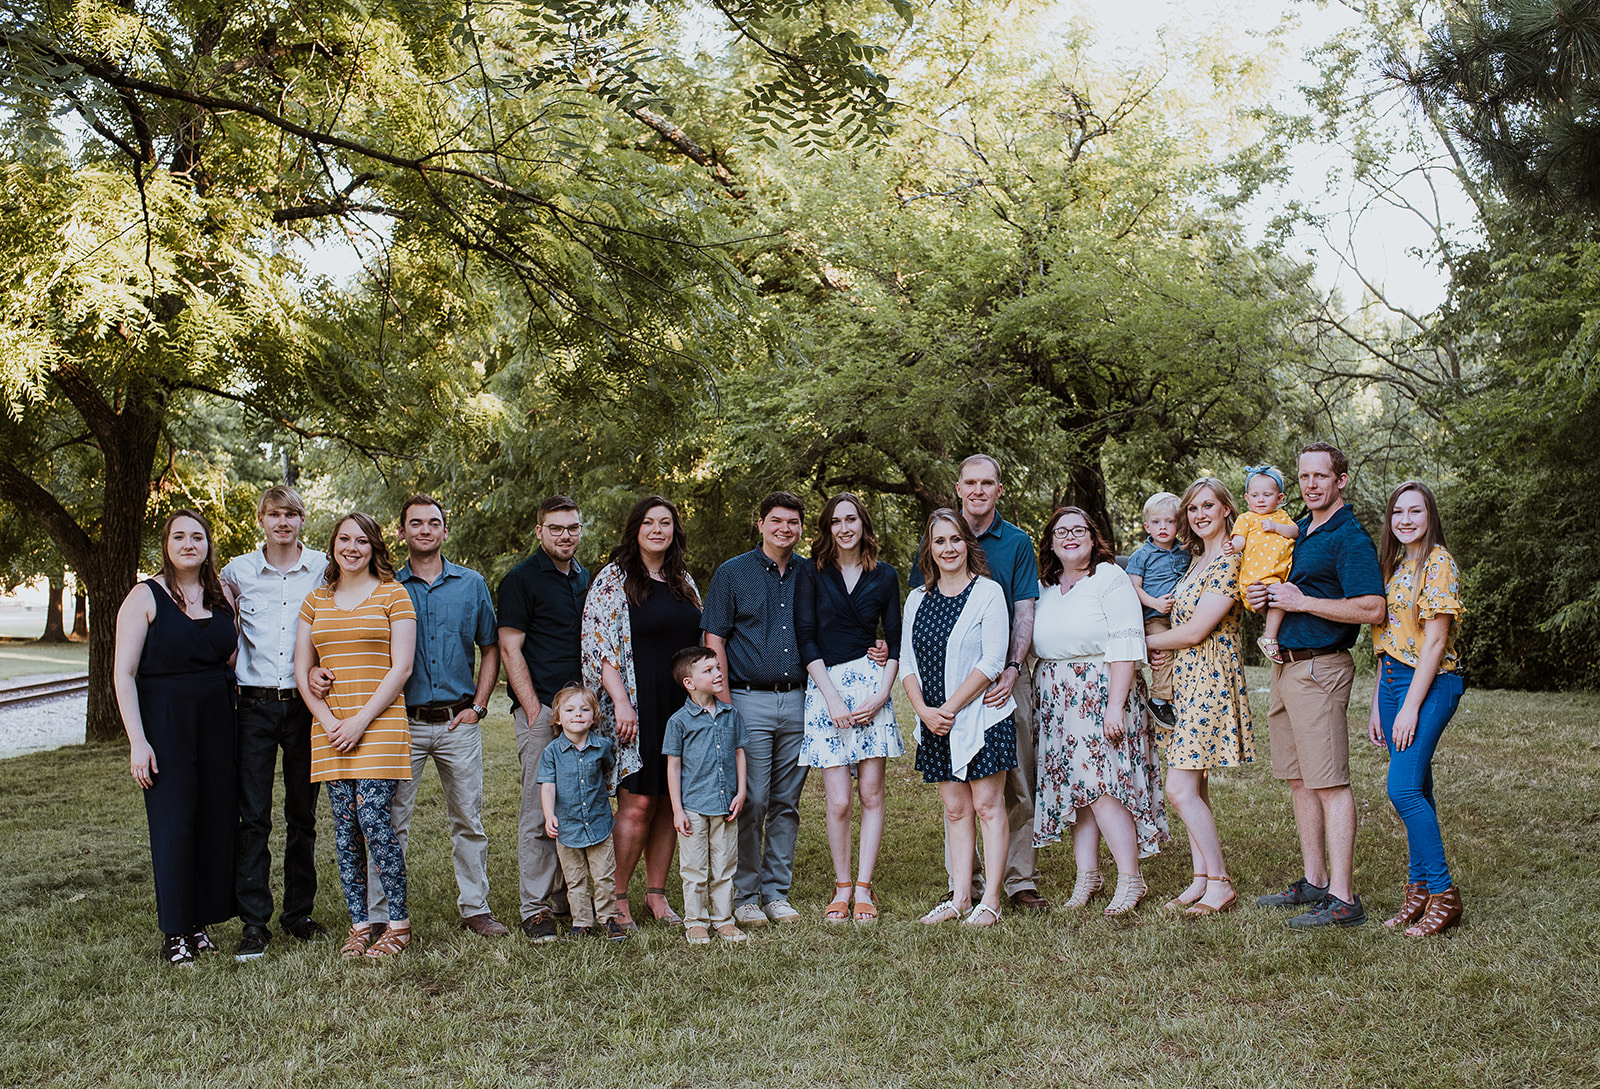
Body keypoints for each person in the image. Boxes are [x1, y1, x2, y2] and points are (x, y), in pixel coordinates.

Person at [1247, 443, 1386, 929]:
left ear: (1341, 480)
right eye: (1304, 476)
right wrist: (1266, 596)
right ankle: (1315, 881)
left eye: (1320, 477)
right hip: (1286, 667)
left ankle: (1345, 901)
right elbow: (1289, 585)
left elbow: (1372, 608)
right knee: (1299, 778)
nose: (1310, 485)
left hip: (1320, 668)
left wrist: (1302, 603)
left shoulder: (1349, 537)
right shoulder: (1304, 528)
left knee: (1329, 782)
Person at [909, 456, 1045, 914]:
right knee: (956, 803)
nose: (979, 490)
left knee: (1012, 790)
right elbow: (912, 642)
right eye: (971, 482)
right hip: (942, 700)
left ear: (998, 489)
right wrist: (931, 709)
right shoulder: (928, 568)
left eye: (988, 483)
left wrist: (1011, 668)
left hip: (998, 684)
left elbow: (1024, 610)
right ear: (959, 487)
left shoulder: (1016, 544)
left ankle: (1015, 883)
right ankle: (960, 887)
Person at [368, 496, 503, 937]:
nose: (425, 530)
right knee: (390, 821)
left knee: (468, 818)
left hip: (456, 721)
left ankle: (475, 909)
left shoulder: (471, 584)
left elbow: (490, 647)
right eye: (416, 523)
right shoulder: (383, 585)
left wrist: (478, 706)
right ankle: (381, 915)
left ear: (445, 531)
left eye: (434, 523)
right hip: (398, 722)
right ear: (402, 531)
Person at [113, 509, 239, 965]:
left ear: (208, 545)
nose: (189, 543)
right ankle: (174, 932)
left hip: (218, 722)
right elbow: (123, 674)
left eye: (198, 536)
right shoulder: (144, 596)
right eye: (180, 536)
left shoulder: (223, 593)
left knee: (213, 821)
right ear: (166, 544)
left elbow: (231, 658)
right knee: (173, 825)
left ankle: (199, 921)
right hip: (165, 724)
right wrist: (138, 741)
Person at [1031, 506, 1168, 916]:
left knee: (1104, 788)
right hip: (1056, 698)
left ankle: (1131, 878)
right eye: (1061, 532)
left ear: (1093, 538)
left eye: (1079, 530)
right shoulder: (1045, 586)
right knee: (1078, 790)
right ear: (1052, 542)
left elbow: (1126, 643)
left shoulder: (1109, 578)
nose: (1070, 537)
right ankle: (1087, 875)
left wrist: (1114, 707)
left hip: (1100, 692)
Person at [295, 513, 417, 957]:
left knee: (373, 819)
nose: (352, 547)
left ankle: (399, 924)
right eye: (344, 539)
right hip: (330, 728)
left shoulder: (394, 595)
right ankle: (361, 924)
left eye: (362, 540)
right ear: (332, 546)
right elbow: (301, 670)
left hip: (379, 723)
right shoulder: (315, 601)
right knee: (344, 829)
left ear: (374, 547)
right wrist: (328, 721)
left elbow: (401, 667)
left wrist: (359, 721)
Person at [581, 495, 702, 931]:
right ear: (635, 529)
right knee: (637, 801)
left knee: (672, 801)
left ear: (675, 530)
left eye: (665, 523)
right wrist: (621, 702)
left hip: (679, 706)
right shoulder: (614, 579)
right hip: (635, 703)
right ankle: (615, 901)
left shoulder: (682, 580)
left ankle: (655, 896)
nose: (657, 530)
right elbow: (601, 648)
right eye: (649, 522)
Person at [221, 485, 328, 961]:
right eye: (274, 514)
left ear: (302, 520)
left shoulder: (324, 568)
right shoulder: (236, 571)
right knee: (254, 817)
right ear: (261, 520)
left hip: (305, 706)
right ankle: (254, 922)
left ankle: (298, 915)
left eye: (291, 514)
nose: (283, 522)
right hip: (254, 706)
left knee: (302, 815)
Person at [1146, 479, 1255, 915]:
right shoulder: (1196, 559)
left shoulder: (1229, 561)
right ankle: (1201, 879)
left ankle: (1221, 882)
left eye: (1208, 505)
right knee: (1195, 783)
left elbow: (1195, 631)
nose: (1199, 514)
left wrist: (1148, 644)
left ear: (1228, 509)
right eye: (1192, 508)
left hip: (1211, 674)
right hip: (1185, 679)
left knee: (1179, 787)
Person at [701, 491, 810, 928]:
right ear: (761, 523)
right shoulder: (733, 573)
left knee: (787, 800)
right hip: (747, 699)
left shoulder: (812, 573)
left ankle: (776, 893)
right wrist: (724, 702)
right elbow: (714, 640)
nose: (785, 529)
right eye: (777, 521)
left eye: (794, 522)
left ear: (801, 528)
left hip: (801, 700)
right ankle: (744, 895)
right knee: (752, 799)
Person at [903, 509, 1016, 927]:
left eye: (955, 540)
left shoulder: (987, 593)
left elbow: (991, 661)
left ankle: (990, 901)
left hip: (981, 718)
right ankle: (961, 897)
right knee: (955, 810)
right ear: (929, 550)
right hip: (933, 721)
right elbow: (907, 663)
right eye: (939, 542)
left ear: (968, 545)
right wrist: (924, 712)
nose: (947, 548)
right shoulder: (917, 598)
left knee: (987, 805)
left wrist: (949, 709)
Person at [796, 492, 902, 923]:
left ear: (863, 525)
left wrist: (881, 695)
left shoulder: (886, 575)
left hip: (872, 686)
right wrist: (832, 698)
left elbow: (894, 639)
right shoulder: (812, 572)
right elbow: (806, 636)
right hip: (826, 687)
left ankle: (863, 888)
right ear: (828, 528)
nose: (844, 528)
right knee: (839, 801)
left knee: (870, 793)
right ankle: (841, 885)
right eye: (836, 521)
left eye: (852, 519)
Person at [1366, 481, 1466, 936]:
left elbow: (1436, 642)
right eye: (1398, 512)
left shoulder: (1438, 562)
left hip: (1430, 683)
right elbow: (1388, 641)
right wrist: (1377, 704)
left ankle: (1444, 893)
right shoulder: (1393, 565)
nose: (1405, 519)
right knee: (1418, 788)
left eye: (1415, 511)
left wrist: (1409, 707)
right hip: (1390, 681)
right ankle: (1419, 891)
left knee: (1402, 789)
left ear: (1430, 517)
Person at [498, 495, 590, 941]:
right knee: (539, 809)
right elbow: (510, 648)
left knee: (576, 805)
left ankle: (565, 895)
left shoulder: (584, 578)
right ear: (540, 531)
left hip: (581, 713)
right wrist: (534, 709)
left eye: (572, 527)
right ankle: (534, 908)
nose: (565, 535)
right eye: (556, 528)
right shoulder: (519, 580)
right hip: (542, 712)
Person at [664, 647, 749, 944]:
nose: (718, 673)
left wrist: (742, 791)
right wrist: (677, 809)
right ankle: (696, 921)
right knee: (694, 868)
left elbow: (739, 752)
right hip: (694, 807)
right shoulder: (678, 722)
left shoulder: (730, 714)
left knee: (725, 864)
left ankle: (724, 919)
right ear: (689, 683)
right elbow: (673, 767)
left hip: (726, 804)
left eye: (718, 668)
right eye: (709, 670)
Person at [538, 684, 628, 941]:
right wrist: (549, 815)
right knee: (575, 879)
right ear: (558, 717)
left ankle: (609, 919)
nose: (577, 714)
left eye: (584, 709)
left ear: (594, 716)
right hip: (567, 826)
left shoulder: (602, 747)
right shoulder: (551, 753)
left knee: (604, 876)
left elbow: (609, 772)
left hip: (599, 823)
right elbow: (548, 786)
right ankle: (581, 922)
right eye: (569, 710)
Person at [1126, 491, 1191, 728]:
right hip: (1155, 617)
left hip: (1179, 617)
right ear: (1146, 526)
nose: (1163, 527)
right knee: (1165, 654)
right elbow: (1133, 588)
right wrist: (1155, 603)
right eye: (1156, 522)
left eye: (1170, 521)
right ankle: (1158, 699)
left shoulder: (1186, 551)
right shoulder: (1141, 556)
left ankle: (1179, 695)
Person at [1227, 465, 1299, 662]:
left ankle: (1270, 636)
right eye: (1255, 495)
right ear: (1247, 498)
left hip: (1276, 575)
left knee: (1280, 599)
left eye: (1267, 495)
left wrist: (1276, 527)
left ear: (1280, 498)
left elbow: (1295, 532)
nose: (1260, 499)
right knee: (1277, 598)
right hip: (1255, 577)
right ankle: (1270, 637)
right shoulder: (1247, 518)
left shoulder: (1282, 518)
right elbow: (1240, 539)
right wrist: (1233, 546)